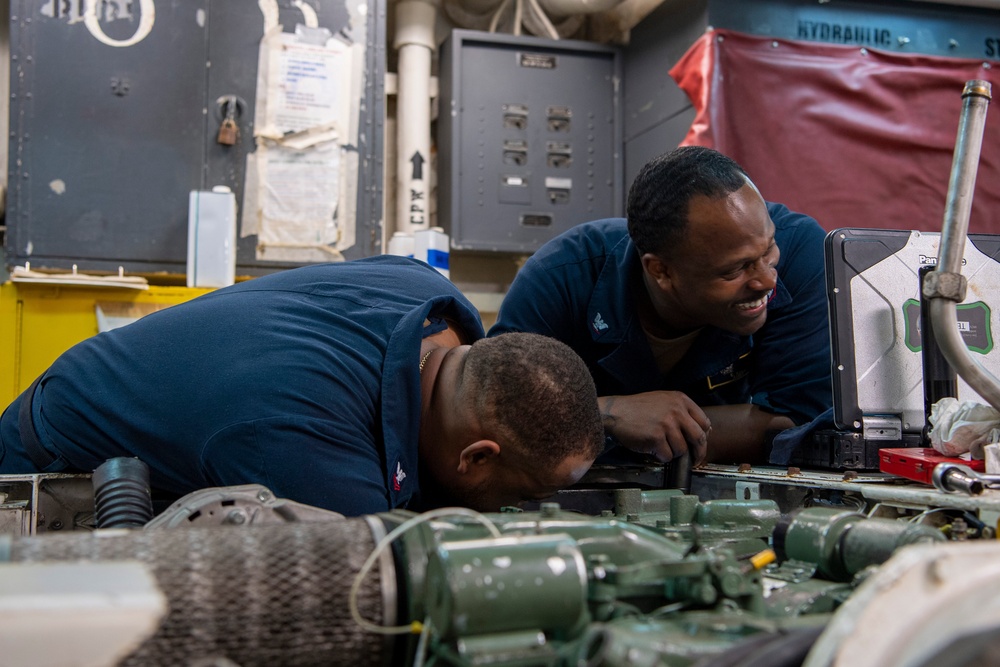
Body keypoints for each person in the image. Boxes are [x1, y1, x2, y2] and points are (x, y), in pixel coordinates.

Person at [0, 255, 605, 516]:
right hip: (50, 468)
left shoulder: (428, 298)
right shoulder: (309, 446)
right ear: (476, 457)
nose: (527, 511)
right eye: (523, 497)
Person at [490, 146, 832, 465]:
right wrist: (607, 415)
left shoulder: (800, 251)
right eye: (735, 269)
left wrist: (578, 425)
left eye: (768, 250)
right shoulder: (561, 280)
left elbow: (801, 425)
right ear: (661, 271)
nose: (768, 281)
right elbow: (493, 415)